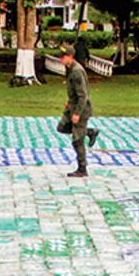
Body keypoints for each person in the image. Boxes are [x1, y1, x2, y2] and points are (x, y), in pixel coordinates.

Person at [56, 44, 99, 179]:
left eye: (63, 57)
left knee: (77, 141)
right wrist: (69, 104)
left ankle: (82, 168)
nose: (61, 59)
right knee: (62, 127)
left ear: (70, 56)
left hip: (81, 109)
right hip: (72, 106)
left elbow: (83, 96)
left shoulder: (76, 71)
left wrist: (77, 113)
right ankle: (89, 132)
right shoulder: (69, 69)